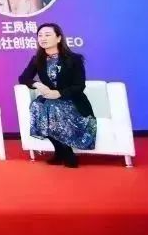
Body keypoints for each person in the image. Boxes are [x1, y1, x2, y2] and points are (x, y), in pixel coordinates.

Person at [19, 23, 96, 168]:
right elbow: (23, 78)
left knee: (53, 107)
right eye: (40, 35)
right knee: (38, 105)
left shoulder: (74, 59)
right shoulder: (37, 60)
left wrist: (58, 93)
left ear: (59, 38)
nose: (43, 38)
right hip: (49, 100)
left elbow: (79, 86)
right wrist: (37, 84)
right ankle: (60, 151)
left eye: (47, 35)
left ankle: (66, 151)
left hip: (72, 100)